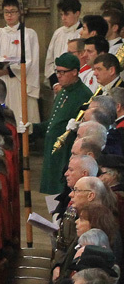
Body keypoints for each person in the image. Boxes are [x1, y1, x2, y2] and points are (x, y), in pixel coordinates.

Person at [0, 0, 40, 132]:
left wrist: (8, 70)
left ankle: (21, 144)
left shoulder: (28, 34)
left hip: (19, 81)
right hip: (1, 82)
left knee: (19, 115)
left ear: (19, 13)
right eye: (6, 12)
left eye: (12, 12)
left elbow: (31, 60)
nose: (9, 15)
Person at [44, 53, 94, 194]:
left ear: (74, 72)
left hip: (66, 153)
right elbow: (54, 122)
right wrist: (32, 129)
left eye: (62, 72)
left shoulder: (83, 94)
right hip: (53, 152)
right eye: (57, 71)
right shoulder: (63, 92)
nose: (59, 75)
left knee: (62, 194)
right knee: (52, 196)